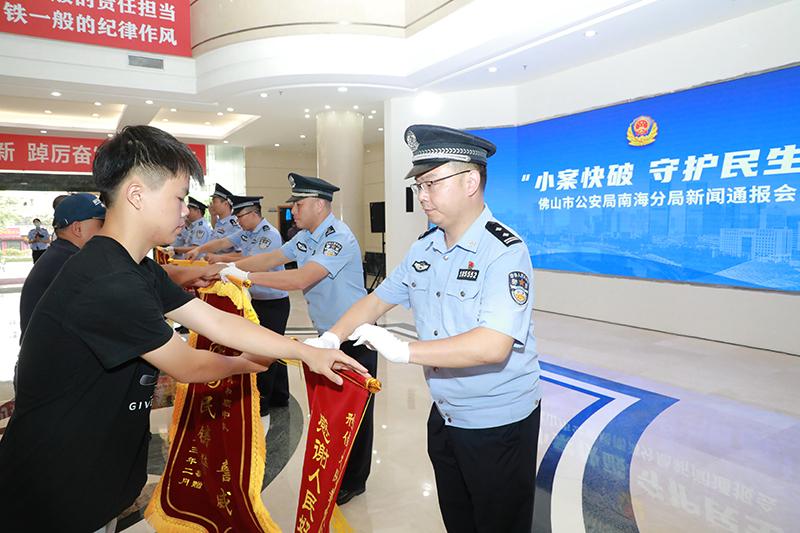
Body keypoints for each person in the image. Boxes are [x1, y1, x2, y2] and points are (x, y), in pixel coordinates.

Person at [0, 125, 366, 533]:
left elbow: (214, 320)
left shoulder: (135, 267)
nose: (186, 211)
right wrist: (245, 364)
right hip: (55, 485)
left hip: (93, 472)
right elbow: (187, 365)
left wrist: (304, 351)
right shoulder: (107, 280)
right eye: (178, 198)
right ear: (137, 195)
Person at [321, 124, 542, 532]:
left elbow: (493, 345)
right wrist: (332, 336)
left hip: (498, 422)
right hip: (445, 413)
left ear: (471, 181)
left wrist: (404, 350)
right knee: (459, 520)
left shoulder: (504, 252)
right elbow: (376, 300)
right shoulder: (425, 248)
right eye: (419, 185)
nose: (422, 195)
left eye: (432, 183)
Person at [217, 173, 378, 506]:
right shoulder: (306, 237)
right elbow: (271, 258)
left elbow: (302, 278)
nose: (294, 211)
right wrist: (228, 267)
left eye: (299, 204)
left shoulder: (337, 237)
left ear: (319, 204)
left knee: (356, 412)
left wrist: (245, 278)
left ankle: (355, 480)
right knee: (332, 410)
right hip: (328, 335)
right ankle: (338, 469)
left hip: (354, 336)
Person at [187, 194, 292, 416]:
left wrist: (222, 263)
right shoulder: (247, 232)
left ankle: (263, 400)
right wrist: (200, 249)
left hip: (273, 301)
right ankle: (280, 395)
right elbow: (223, 242)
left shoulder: (269, 235)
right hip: (256, 299)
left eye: (241, 216)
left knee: (266, 349)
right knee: (274, 346)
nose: (238, 221)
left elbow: (252, 263)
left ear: (254, 214)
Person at [19, 193, 106, 337]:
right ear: (77, 229)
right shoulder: (73, 264)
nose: (107, 230)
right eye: (101, 224)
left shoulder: (60, 255)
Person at [209, 183, 242, 256]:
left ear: (226, 204)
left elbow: (240, 252)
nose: (212, 205)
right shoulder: (220, 222)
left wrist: (219, 257)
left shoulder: (233, 225)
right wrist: (213, 215)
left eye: (214, 202)